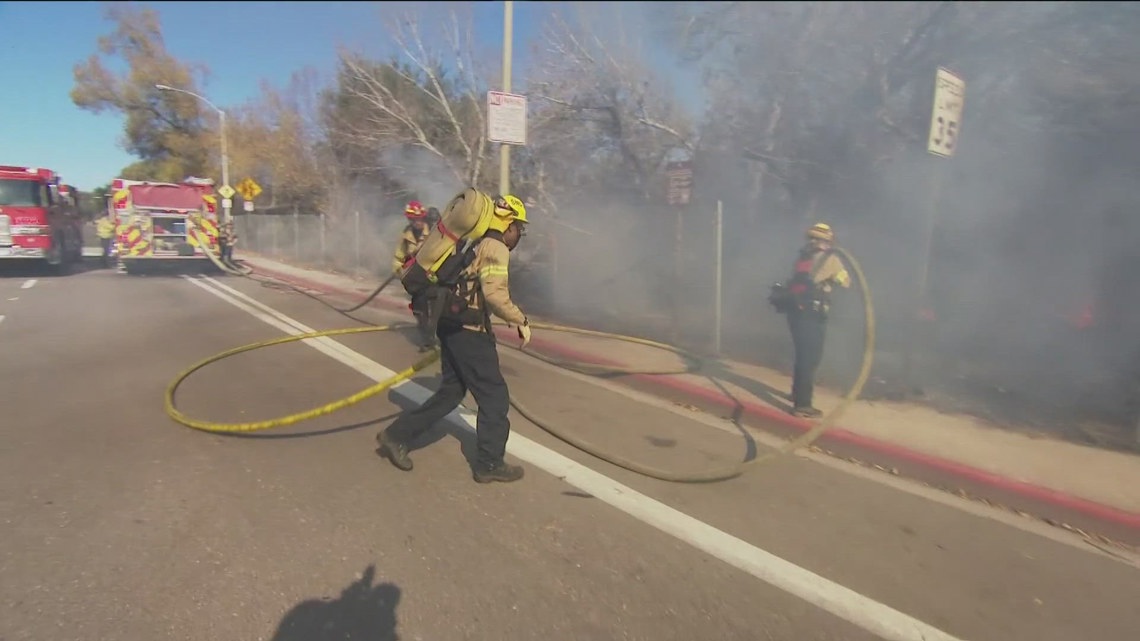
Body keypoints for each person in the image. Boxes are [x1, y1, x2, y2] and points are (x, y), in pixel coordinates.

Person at [377, 193, 532, 483]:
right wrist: (520, 320)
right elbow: (495, 295)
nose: (518, 235)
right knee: (495, 398)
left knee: (450, 393)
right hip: (470, 333)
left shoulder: (471, 243)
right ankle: (489, 463)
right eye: (518, 228)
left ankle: (396, 436)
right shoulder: (495, 246)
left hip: (450, 327)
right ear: (508, 223)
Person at [782, 222, 850, 418]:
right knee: (811, 357)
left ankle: (797, 393)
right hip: (813, 313)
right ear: (827, 242)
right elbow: (845, 282)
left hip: (796, 311)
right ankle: (802, 405)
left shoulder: (803, 256)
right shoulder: (832, 259)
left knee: (802, 355)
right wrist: (837, 276)